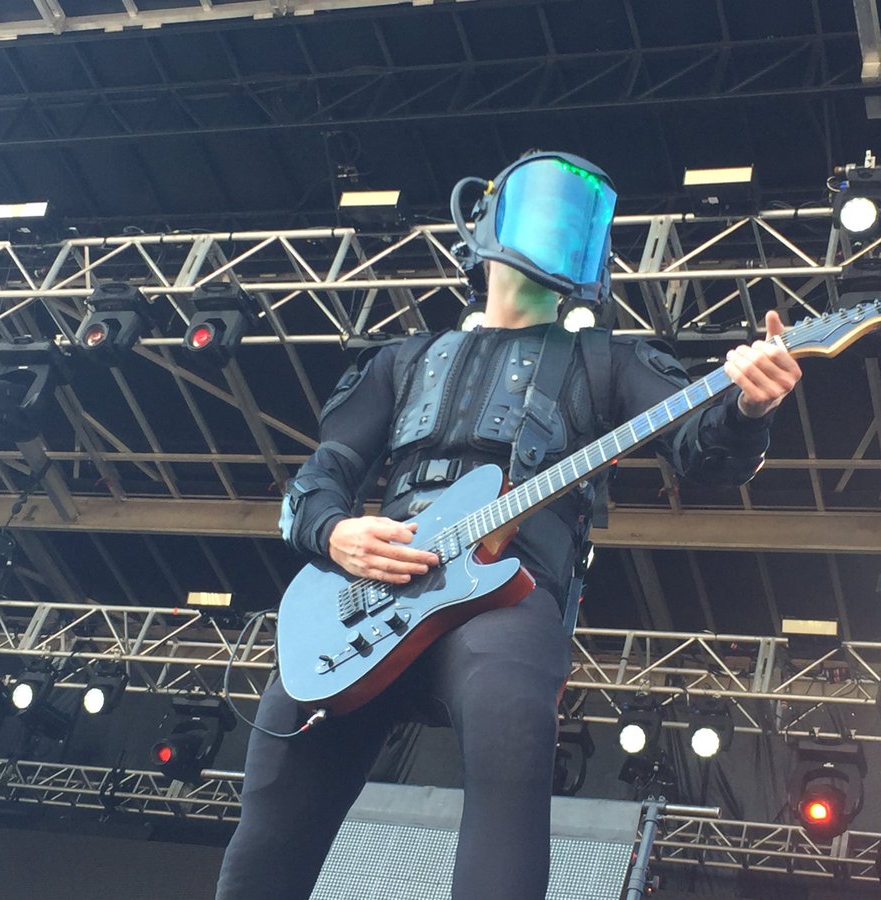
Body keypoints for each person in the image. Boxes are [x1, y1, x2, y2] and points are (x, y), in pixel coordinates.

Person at [215, 152, 802, 900]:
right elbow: (317, 479)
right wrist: (336, 534)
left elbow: (703, 453)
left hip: (507, 591)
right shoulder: (403, 359)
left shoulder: (610, 362)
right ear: (487, 224)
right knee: (268, 830)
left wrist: (751, 408)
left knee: (509, 747)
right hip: (368, 592)